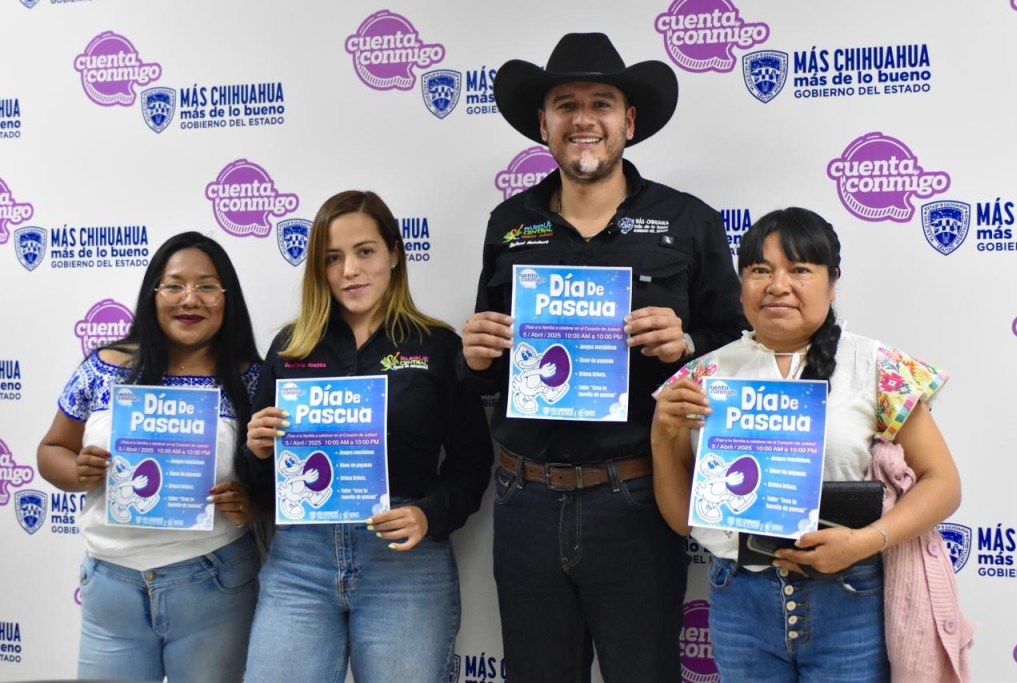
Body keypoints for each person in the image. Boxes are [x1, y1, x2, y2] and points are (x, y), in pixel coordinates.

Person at [459, 32, 747, 682]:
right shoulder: (509, 224)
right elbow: (486, 367)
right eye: (565, 104)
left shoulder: (688, 221)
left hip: (639, 497)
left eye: (601, 103)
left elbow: (742, 350)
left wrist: (690, 346)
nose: (583, 119)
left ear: (629, 121)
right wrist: (475, 357)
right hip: (524, 497)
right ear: (544, 122)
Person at [651, 207, 963, 681]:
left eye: (799, 269)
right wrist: (661, 433)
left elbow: (943, 484)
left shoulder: (876, 364)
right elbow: (680, 518)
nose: (777, 285)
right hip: (739, 602)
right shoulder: (704, 375)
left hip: (849, 596)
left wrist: (863, 542)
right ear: (742, 283)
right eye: (760, 270)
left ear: (832, 282)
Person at [241, 190, 493, 682]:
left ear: (395, 254)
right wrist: (256, 449)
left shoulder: (438, 346)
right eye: (332, 258)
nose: (349, 270)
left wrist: (429, 513)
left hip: (404, 563)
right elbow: (257, 481)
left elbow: (472, 463)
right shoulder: (290, 349)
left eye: (365, 251)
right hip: (300, 562)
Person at [37, 231, 264, 682]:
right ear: (153, 294)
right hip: (112, 586)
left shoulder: (253, 380)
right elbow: (51, 450)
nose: (190, 299)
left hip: (214, 581)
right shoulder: (104, 367)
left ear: (227, 297)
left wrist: (250, 504)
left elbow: (278, 484)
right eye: (174, 285)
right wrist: (76, 472)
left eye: (207, 286)